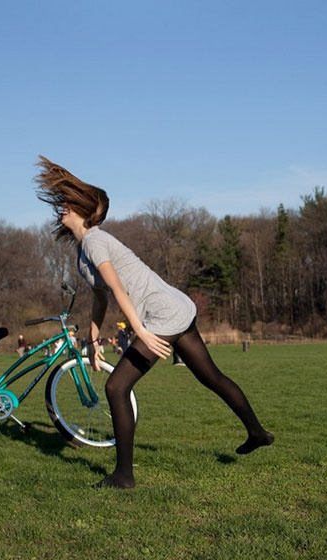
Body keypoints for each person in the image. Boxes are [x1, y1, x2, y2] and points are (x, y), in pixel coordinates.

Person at [36, 156, 273, 488]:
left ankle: (123, 476)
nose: (62, 207)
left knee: (117, 388)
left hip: (162, 315)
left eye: (68, 203)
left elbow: (117, 288)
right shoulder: (83, 250)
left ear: (82, 208)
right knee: (212, 377)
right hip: (175, 309)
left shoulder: (94, 240)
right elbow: (102, 295)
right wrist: (92, 336)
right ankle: (258, 433)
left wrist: (142, 331)